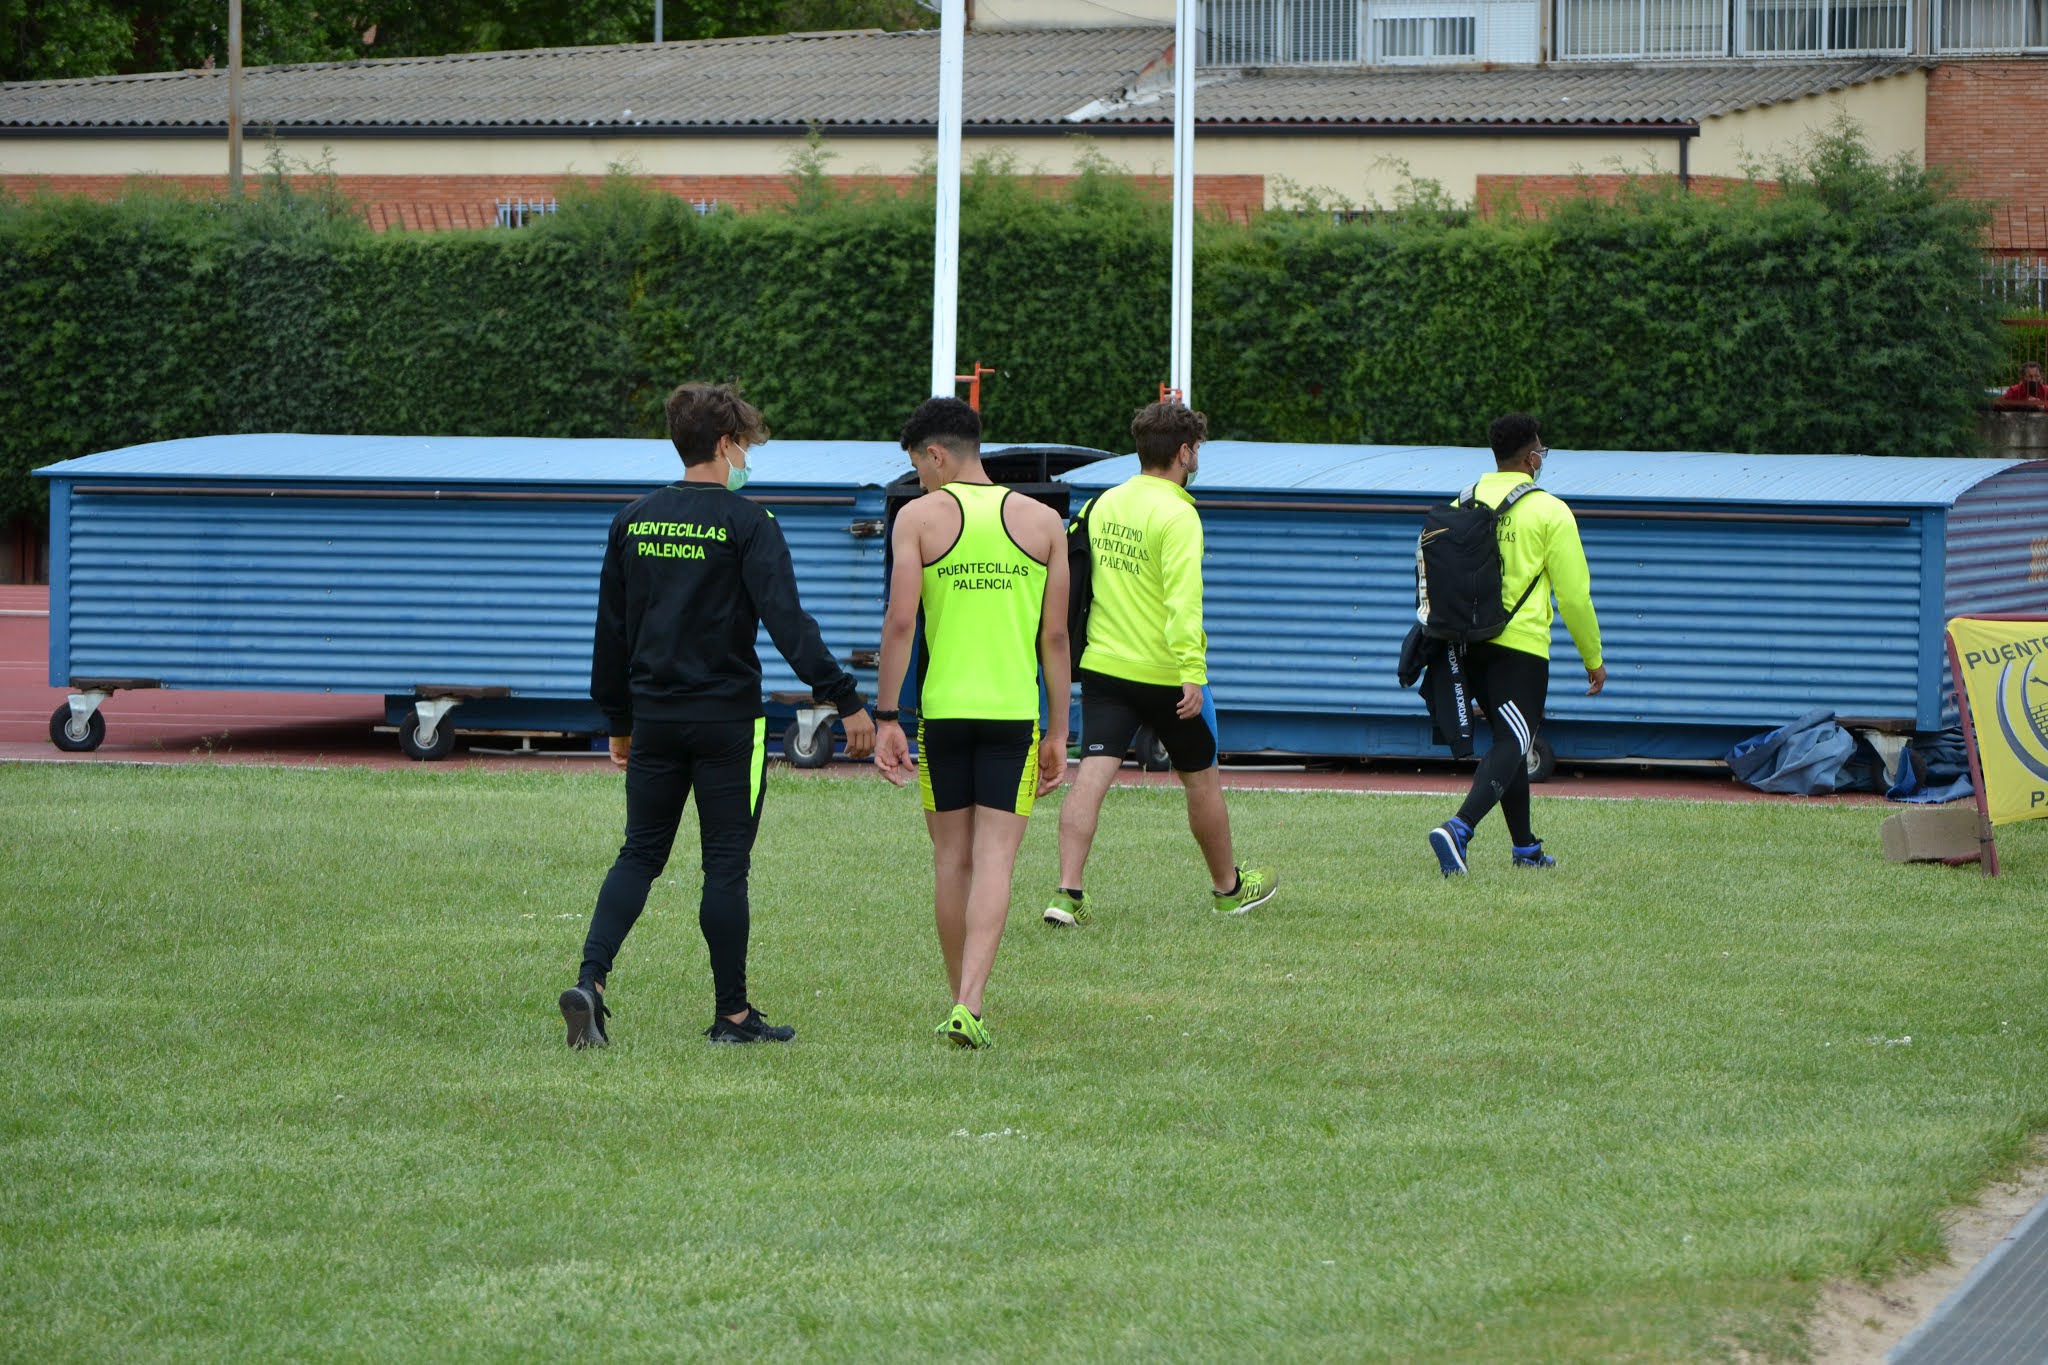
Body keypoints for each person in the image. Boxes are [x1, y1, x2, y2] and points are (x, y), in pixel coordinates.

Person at [558, 382, 876, 1049]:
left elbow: (610, 633)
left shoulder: (633, 520)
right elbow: (788, 623)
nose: (746, 461)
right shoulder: (749, 522)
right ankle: (732, 1016)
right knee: (725, 866)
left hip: (654, 718)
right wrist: (845, 698)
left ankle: (592, 982)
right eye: (745, 448)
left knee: (639, 853)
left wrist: (618, 718)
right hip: (728, 722)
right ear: (726, 444)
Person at [873, 397, 1069, 1050]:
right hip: (1013, 716)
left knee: (950, 861)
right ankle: (971, 1003)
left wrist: (886, 716)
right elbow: (1056, 638)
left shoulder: (917, 518)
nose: (919, 480)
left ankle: (958, 997)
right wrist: (1058, 731)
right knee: (994, 863)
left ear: (936, 455)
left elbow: (901, 622)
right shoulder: (1044, 521)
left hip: (944, 714)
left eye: (918, 467)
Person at [1044, 400, 1276, 927]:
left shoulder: (1104, 502)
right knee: (1202, 782)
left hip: (1105, 667)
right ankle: (1228, 890)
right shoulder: (1178, 514)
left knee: (1091, 779)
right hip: (1168, 676)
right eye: (1198, 450)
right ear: (1184, 453)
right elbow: (1183, 601)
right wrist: (1192, 671)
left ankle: (1066, 894)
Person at [1428, 413, 1605, 876]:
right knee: (1516, 739)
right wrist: (1593, 658)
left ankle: (1526, 849)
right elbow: (1574, 597)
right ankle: (1458, 829)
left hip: (1466, 645)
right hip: (1520, 648)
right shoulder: (1550, 511)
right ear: (1531, 459)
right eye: (1541, 452)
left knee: (1511, 740)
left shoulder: (1463, 500)